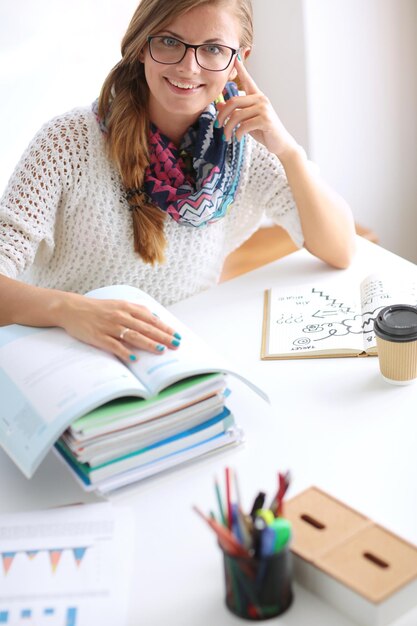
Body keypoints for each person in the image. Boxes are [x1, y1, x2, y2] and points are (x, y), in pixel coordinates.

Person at [0, 0, 356, 364]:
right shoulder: (68, 141)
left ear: (238, 60)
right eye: (170, 42)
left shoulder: (241, 148)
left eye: (213, 49)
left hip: (174, 362)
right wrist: (69, 310)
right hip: (60, 359)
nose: (189, 68)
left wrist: (289, 151)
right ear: (142, 46)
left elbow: (340, 249)